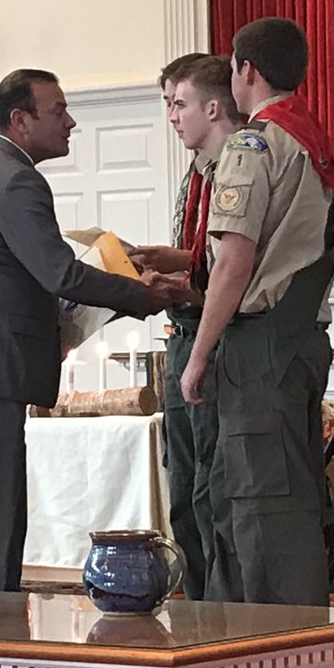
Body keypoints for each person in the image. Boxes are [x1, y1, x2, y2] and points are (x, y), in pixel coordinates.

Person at [0, 68, 178, 593]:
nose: (71, 122)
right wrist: (143, 296)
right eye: (58, 111)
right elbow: (60, 273)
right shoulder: (17, 179)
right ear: (20, 120)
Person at [180, 18, 334, 606]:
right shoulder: (316, 140)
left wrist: (199, 354)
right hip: (301, 337)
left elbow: (233, 261)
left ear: (246, 70)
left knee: (257, 506)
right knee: (290, 497)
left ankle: (264, 652)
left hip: (259, 348)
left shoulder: (256, 143)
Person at [129, 54, 247, 600]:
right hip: (181, 334)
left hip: (212, 337)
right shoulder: (197, 173)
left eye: (178, 104)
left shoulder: (241, 167)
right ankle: (198, 602)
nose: (172, 117)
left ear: (214, 106)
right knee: (184, 489)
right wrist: (170, 259)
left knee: (210, 489)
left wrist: (186, 287)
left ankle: (216, 610)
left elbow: (234, 268)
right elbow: (206, 252)